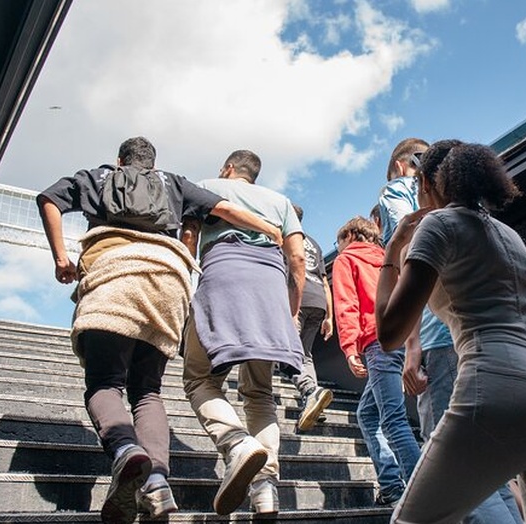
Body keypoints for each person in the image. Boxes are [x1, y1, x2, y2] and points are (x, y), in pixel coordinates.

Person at [37, 137, 282, 524]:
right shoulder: (173, 182)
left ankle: (125, 450)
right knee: (147, 391)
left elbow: (48, 199)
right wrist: (268, 228)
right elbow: (224, 208)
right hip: (167, 282)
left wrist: (61, 258)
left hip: (114, 274)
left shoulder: (97, 177)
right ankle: (156, 484)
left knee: (105, 384)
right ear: (152, 163)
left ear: (120, 160)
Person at [376, 141, 526, 524]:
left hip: (495, 385)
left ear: (426, 183)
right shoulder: (511, 236)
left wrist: (393, 249)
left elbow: (389, 333)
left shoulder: (437, 224)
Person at [182, 149, 306, 516]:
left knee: (199, 378)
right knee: (260, 393)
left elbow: (188, 240)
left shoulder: (204, 186)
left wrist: (189, 289)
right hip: (270, 287)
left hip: (223, 274)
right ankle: (265, 488)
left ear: (228, 168)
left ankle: (237, 443)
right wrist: (291, 311)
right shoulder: (280, 202)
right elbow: (297, 259)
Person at [331, 216, 421, 507]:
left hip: (377, 342)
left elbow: (347, 304)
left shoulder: (346, 259)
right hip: (404, 339)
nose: (339, 247)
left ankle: (421, 495)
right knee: (367, 415)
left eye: (338, 241)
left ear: (349, 236)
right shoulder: (388, 257)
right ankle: (391, 485)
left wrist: (349, 348)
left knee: (393, 420)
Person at [287, 203, 334, 431]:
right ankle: (315, 404)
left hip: (299, 299)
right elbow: (324, 281)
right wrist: (329, 316)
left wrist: (291, 309)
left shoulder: (286, 236)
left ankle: (309, 390)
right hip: (318, 302)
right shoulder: (314, 243)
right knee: (305, 354)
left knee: (288, 350)